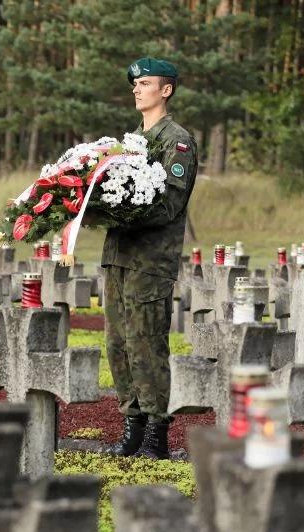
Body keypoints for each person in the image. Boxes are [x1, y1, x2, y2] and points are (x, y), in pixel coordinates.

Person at [104, 58, 198, 460]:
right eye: (134, 84)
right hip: (119, 255)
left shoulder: (176, 141)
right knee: (118, 344)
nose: (136, 89)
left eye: (145, 83)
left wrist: (123, 210)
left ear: (166, 90)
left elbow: (169, 205)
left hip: (150, 259)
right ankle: (133, 424)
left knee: (146, 344)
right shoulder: (129, 142)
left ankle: (157, 431)